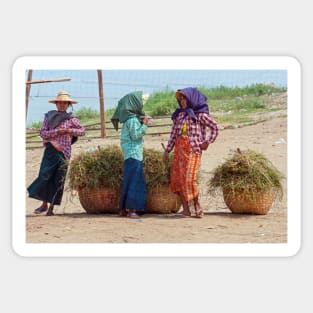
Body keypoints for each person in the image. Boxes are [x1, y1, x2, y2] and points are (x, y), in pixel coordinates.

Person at [163, 87, 219, 218]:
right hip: (179, 152)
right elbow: (173, 135)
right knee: (178, 180)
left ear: (191, 99)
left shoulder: (200, 115)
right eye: (180, 98)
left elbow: (215, 128)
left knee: (189, 179)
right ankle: (186, 209)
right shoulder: (179, 115)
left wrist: (207, 142)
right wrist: (167, 150)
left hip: (193, 150)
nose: (182, 101)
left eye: (184, 98)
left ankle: (197, 206)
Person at [27, 91, 85, 216]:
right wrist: (57, 132)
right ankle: (43, 204)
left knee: (58, 180)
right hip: (51, 151)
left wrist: (68, 130)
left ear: (68, 105)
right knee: (45, 176)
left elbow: (82, 131)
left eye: (65, 103)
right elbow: (43, 133)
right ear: (56, 104)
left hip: (64, 153)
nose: (62, 105)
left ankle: (51, 208)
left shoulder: (72, 119)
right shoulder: (49, 116)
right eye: (60, 102)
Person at [111, 91, 149, 218]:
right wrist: (144, 125)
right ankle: (131, 209)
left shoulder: (129, 119)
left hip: (129, 155)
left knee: (128, 180)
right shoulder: (132, 120)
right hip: (134, 154)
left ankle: (123, 209)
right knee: (135, 182)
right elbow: (136, 135)